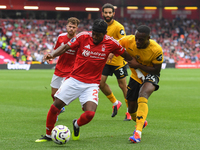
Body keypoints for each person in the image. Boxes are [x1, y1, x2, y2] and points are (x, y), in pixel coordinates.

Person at [35, 19, 134, 142]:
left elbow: (126, 55)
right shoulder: (83, 36)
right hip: (74, 80)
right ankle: (48, 135)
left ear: (105, 34)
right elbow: (65, 47)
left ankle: (76, 124)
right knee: (55, 107)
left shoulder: (111, 43)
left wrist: (139, 66)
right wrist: (52, 54)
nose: (95, 37)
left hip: (92, 84)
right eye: (93, 33)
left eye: (98, 35)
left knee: (90, 114)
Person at [118, 25, 163, 143]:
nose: (137, 41)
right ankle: (141, 121)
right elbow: (115, 45)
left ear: (148, 38)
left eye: (141, 39)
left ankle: (137, 133)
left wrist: (138, 65)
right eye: (136, 38)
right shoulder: (128, 40)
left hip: (150, 75)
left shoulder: (156, 49)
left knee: (143, 95)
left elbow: (156, 70)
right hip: (135, 77)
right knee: (132, 109)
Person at [100, 3, 131, 121]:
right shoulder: (102, 26)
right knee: (100, 83)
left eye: (110, 13)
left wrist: (113, 51)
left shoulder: (119, 27)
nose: (107, 15)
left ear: (113, 13)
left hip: (118, 61)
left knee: (123, 86)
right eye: (106, 13)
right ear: (102, 13)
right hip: (106, 61)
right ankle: (115, 102)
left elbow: (124, 40)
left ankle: (129, 110)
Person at [50, 17, 80, 117]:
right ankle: (60, 108)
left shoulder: (79, 40)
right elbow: (56, 50)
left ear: (77, 28)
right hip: (59, 69)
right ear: (66, 26)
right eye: (70, 26)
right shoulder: (61, 37)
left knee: (61, 94)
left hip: (70, 71)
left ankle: (56, 112)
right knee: (53, 94)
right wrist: (50, 56)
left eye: (74, 27)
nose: (71, 29)